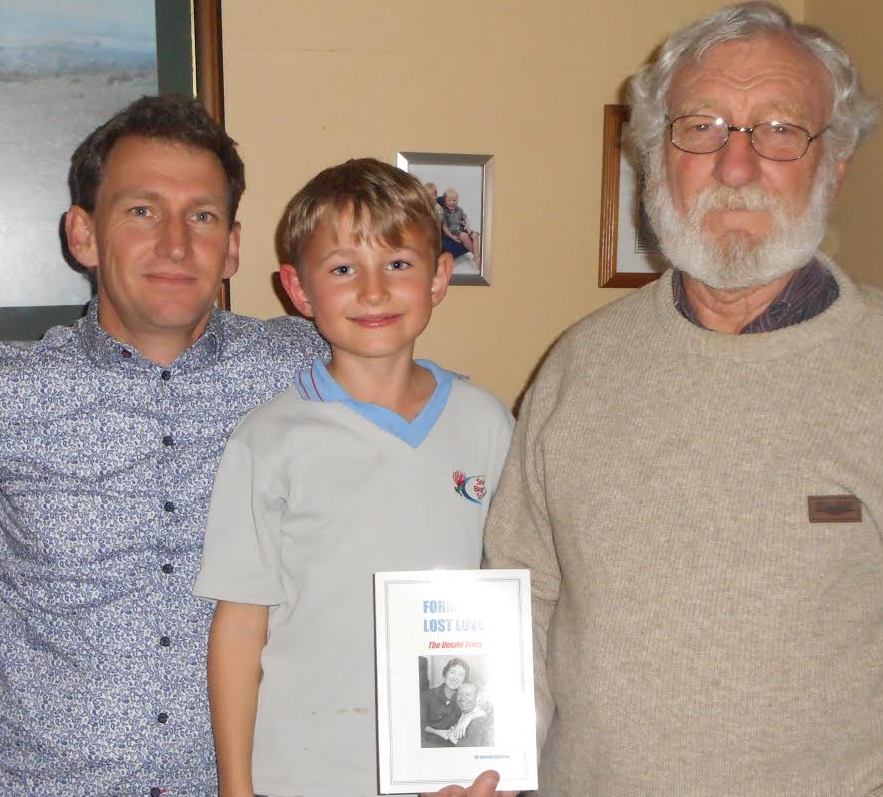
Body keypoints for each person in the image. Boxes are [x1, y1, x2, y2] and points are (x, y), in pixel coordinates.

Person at [483, 2, 883, 795]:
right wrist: (484, 760)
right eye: (700, 127)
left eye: (777, 130)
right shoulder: (578, 365)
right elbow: (522, 591)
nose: (734, 168)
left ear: (832, 162)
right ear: (654, 158)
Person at [0, 95, 327, 796]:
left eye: (202, 216)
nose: (176, 244)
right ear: (83, 235)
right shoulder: (13, 397)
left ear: (233, 245)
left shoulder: (313, 370)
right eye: (142, 210)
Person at [193, 158, 514, 797]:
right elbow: (239, 626)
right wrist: (236, 788)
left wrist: (500, 761)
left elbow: (512, 603)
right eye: (343, 269)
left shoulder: (487, 424)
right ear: (299, 290)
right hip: (303, 772)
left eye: (398, 264)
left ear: (439, 277)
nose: (373, 291)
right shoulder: (268, 441)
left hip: (446, 773)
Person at [421, 657, 469, 746]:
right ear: (445, 674)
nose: (455, 678)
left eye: (460, 675)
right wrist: (437, 732)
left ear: (464, 680)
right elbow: (419, 723)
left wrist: (467, 719)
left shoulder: (464, 699)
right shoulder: (427, 696)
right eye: (452, 672)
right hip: (428, 744)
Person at [445, 683, 493, 748]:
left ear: (477, 697)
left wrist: (454, 740)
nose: (462, 698)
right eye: (460, 694)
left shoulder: (479, 721)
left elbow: (474, 751)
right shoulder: (459, 714)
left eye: (468, 694)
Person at [441, 188, 480, 262]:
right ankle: (476, 256)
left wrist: (467, 224)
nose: (452, 203)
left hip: (462, 228)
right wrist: (451, 236)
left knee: (475, 235)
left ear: (457, 201)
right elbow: (444, 227)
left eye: (454, 200)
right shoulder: (444, 212)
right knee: (464, 236)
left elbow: (465, 217)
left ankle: (477, 256)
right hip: (453, 231)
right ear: (445, 201)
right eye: (449, 200)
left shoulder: (459, 209)